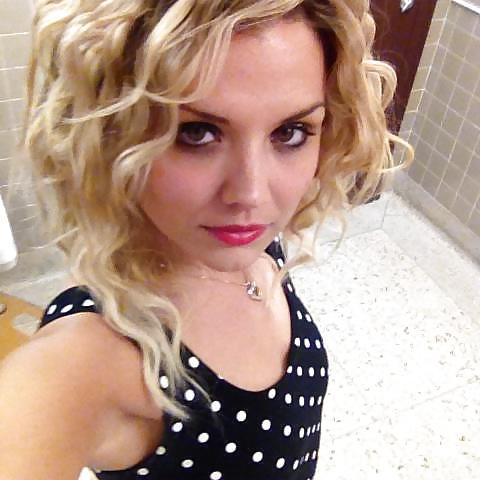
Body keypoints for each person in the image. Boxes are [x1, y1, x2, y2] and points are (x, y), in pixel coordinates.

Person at [0, 1, 414, 479]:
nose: (252, 195)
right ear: (111, 133)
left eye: (290, 132)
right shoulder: (83, 362)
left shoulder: (247, 245)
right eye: (196, 133)